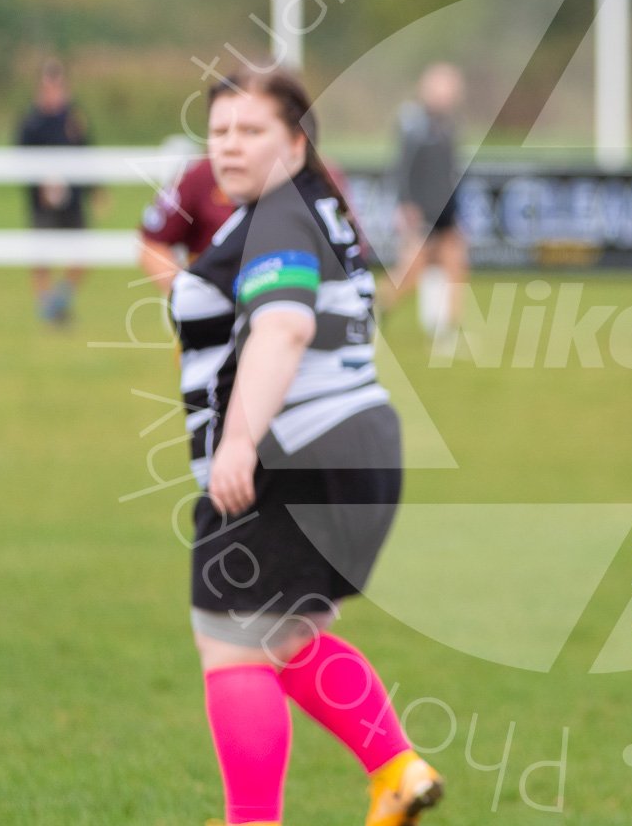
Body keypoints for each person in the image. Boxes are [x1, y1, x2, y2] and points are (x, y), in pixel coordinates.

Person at [169, 67, 442, 826]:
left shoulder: (279, 218)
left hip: (293, 455)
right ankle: (394, 767)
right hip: (358, 449)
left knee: (229, 644)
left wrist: (239, 442)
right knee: (287, 633)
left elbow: (283, 325)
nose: (229, 145)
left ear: (295, 142)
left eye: (251, 130)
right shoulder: (311, 208)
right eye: (218, 131)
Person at [380, 62, 469, 344]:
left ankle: (446, 331)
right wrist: (406, 205)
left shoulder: (449, 125)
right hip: (422, 211)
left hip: (447, 211)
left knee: (455, 267)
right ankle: (370, 309)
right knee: (409, 274)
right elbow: (402, 168)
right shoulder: (413, 123)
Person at [17, 59, 96, 325]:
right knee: (42, 256)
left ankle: (58, 302)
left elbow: (86, 152)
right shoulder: (31, 122)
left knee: (82, 253)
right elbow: (19, 159)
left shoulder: (74, 119)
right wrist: (40, 186)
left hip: (72, 199)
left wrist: (95, 189)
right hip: (42, 203)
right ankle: (46, 310)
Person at [139, 157, 238, 294]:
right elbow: (153, 242)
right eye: (221, 134)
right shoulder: (198, 177)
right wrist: (186, 293)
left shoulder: (276, 179)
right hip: (214, 298)